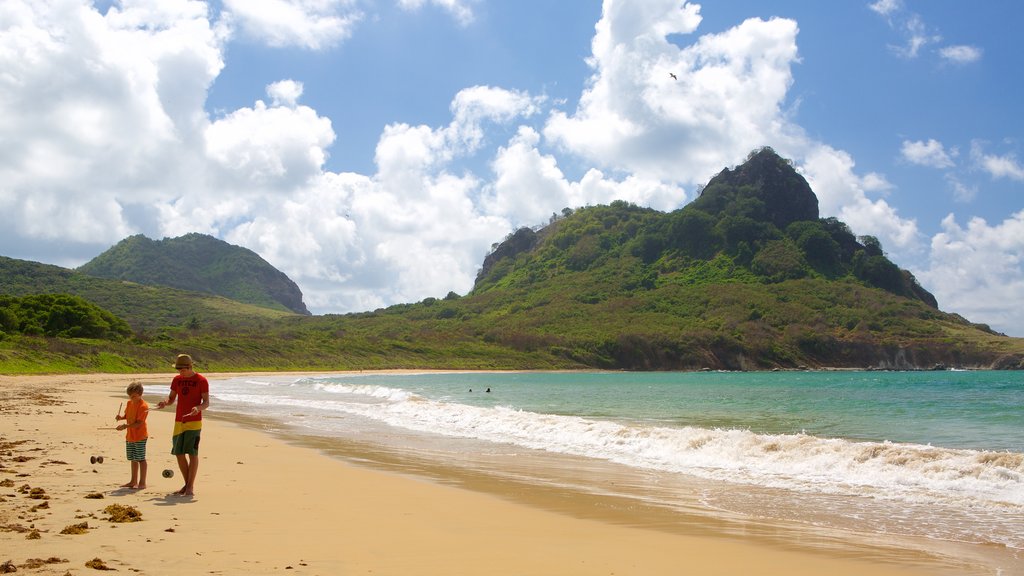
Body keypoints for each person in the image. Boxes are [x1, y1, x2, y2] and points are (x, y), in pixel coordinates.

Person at [156, 354, 209, 496]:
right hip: (179, 421)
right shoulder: (177, 380)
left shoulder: (201, 380)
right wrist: (165, 402)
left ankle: (190, 487)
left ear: (190, 367)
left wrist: (197, 408)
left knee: (192, 453)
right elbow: (171, 398)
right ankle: (187, 485)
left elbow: (206, 403)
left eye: (183, 369)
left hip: (194, 421)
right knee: (178, 453)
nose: (180, 372)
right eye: (178, 369)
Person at [115, 382, 149, 489]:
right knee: (133, 459)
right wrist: (121, 417)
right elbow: (128, 415)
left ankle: (142, 482)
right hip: (130, 435)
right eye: (130, 396)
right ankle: (133, 481)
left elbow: (139, 423)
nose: (131, 398)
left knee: (141, 459)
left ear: (140, 394)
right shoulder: (129, 403)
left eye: (134, 396)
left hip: (140, 436)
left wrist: (125, 426)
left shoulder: (143, 406)